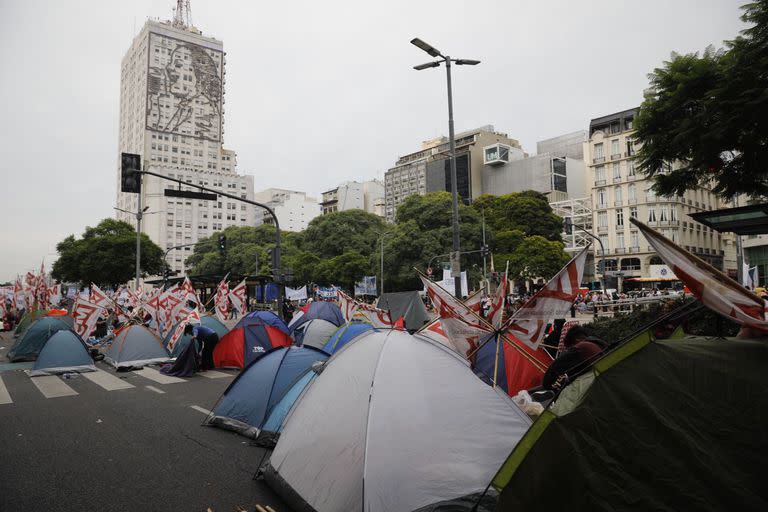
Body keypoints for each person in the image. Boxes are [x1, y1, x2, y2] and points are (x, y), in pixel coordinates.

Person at [542, 325, 605, 391]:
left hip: (596, 387)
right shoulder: (598, 343)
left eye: (569, 347)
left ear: (576, 340)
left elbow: (554, 368)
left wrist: (548, 387)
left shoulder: (581, 347)